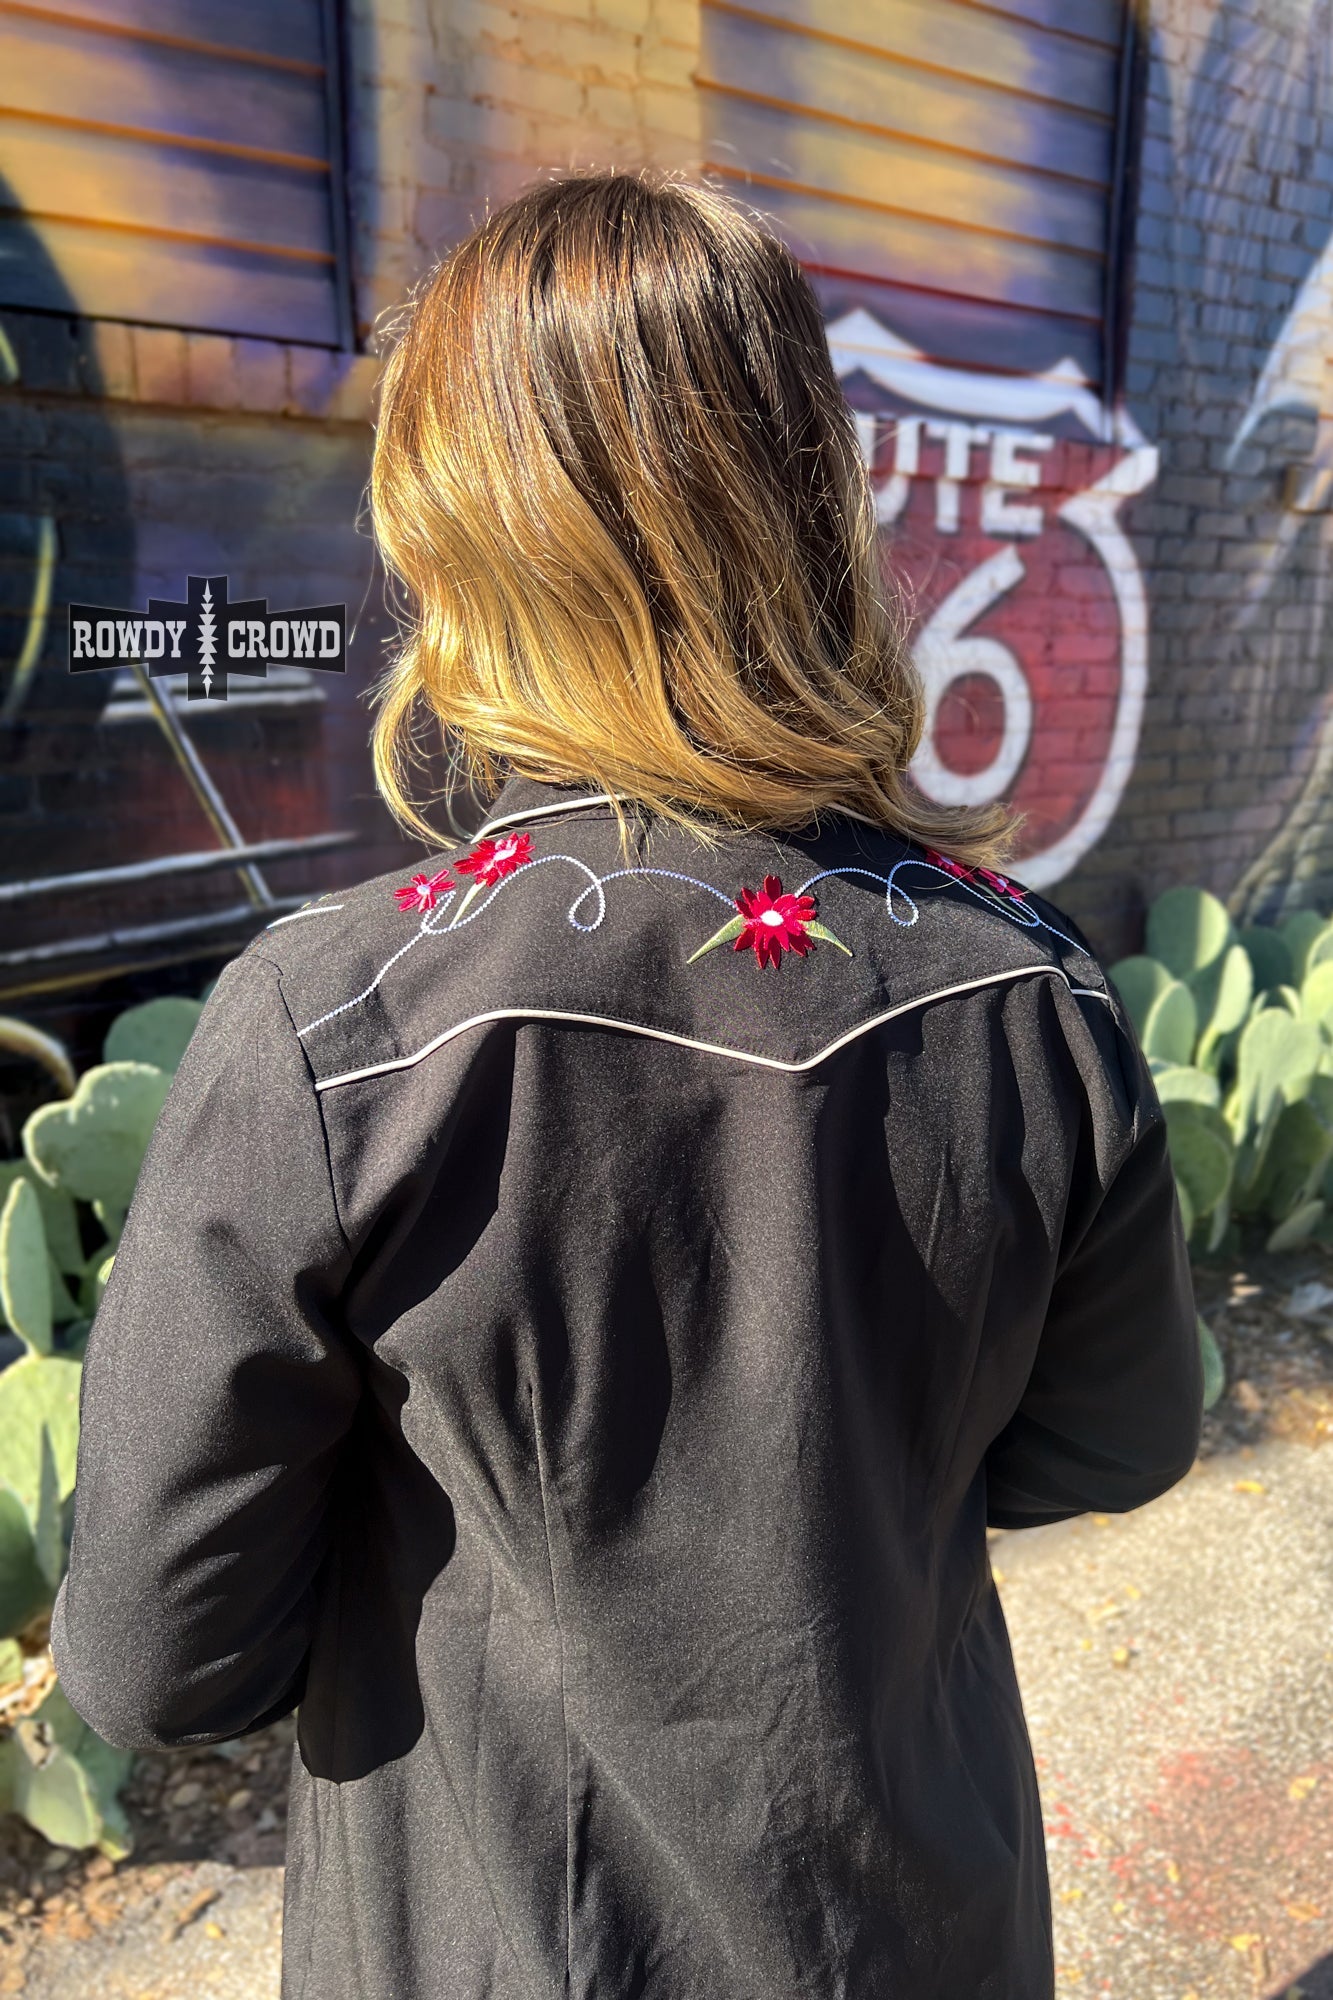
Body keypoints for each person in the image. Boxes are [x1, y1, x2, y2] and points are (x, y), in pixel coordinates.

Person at [52, 170, 1202, 2000]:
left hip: (491, 1946)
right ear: (815, 503)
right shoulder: (1031, 983)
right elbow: (1115, 1438)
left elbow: (159, 1660)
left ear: (459, 538)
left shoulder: (333, 1028)